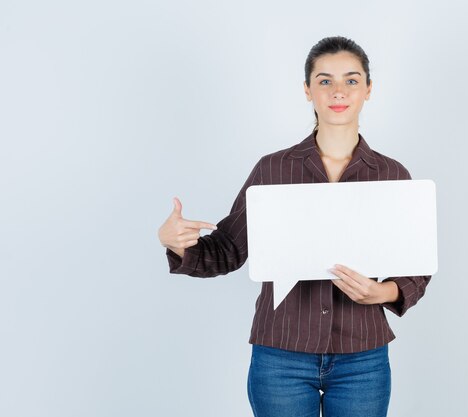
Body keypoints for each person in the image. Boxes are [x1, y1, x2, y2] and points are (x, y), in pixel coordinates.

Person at [158, 36, 432, 417]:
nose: (338, 91)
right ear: (308, 90)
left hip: (363, 360)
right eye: (324, 81)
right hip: (280, 357)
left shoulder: (393, 175)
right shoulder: (273, 169)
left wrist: (382, 292)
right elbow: (229, 250)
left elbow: (417, 265)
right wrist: (177, 244)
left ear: (368, 89)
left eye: (351, 80)